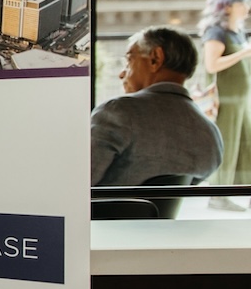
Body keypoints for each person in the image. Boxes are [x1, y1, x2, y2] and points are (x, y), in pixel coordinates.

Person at [91, 26, 222, 188]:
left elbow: (80, 181)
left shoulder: (117, 112)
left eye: (129, 60)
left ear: (155, 58)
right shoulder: (210, 133)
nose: (121, 74)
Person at [200, 0, 251, 210]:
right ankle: (218, 195)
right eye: (243, 4)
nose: (247, 8)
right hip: (225, 100)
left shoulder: (236, 32)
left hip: (240, 100)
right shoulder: (216, 32)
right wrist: (244, 52)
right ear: (227, 7)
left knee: (246, 144)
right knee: (227, 144)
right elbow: (212, 65)